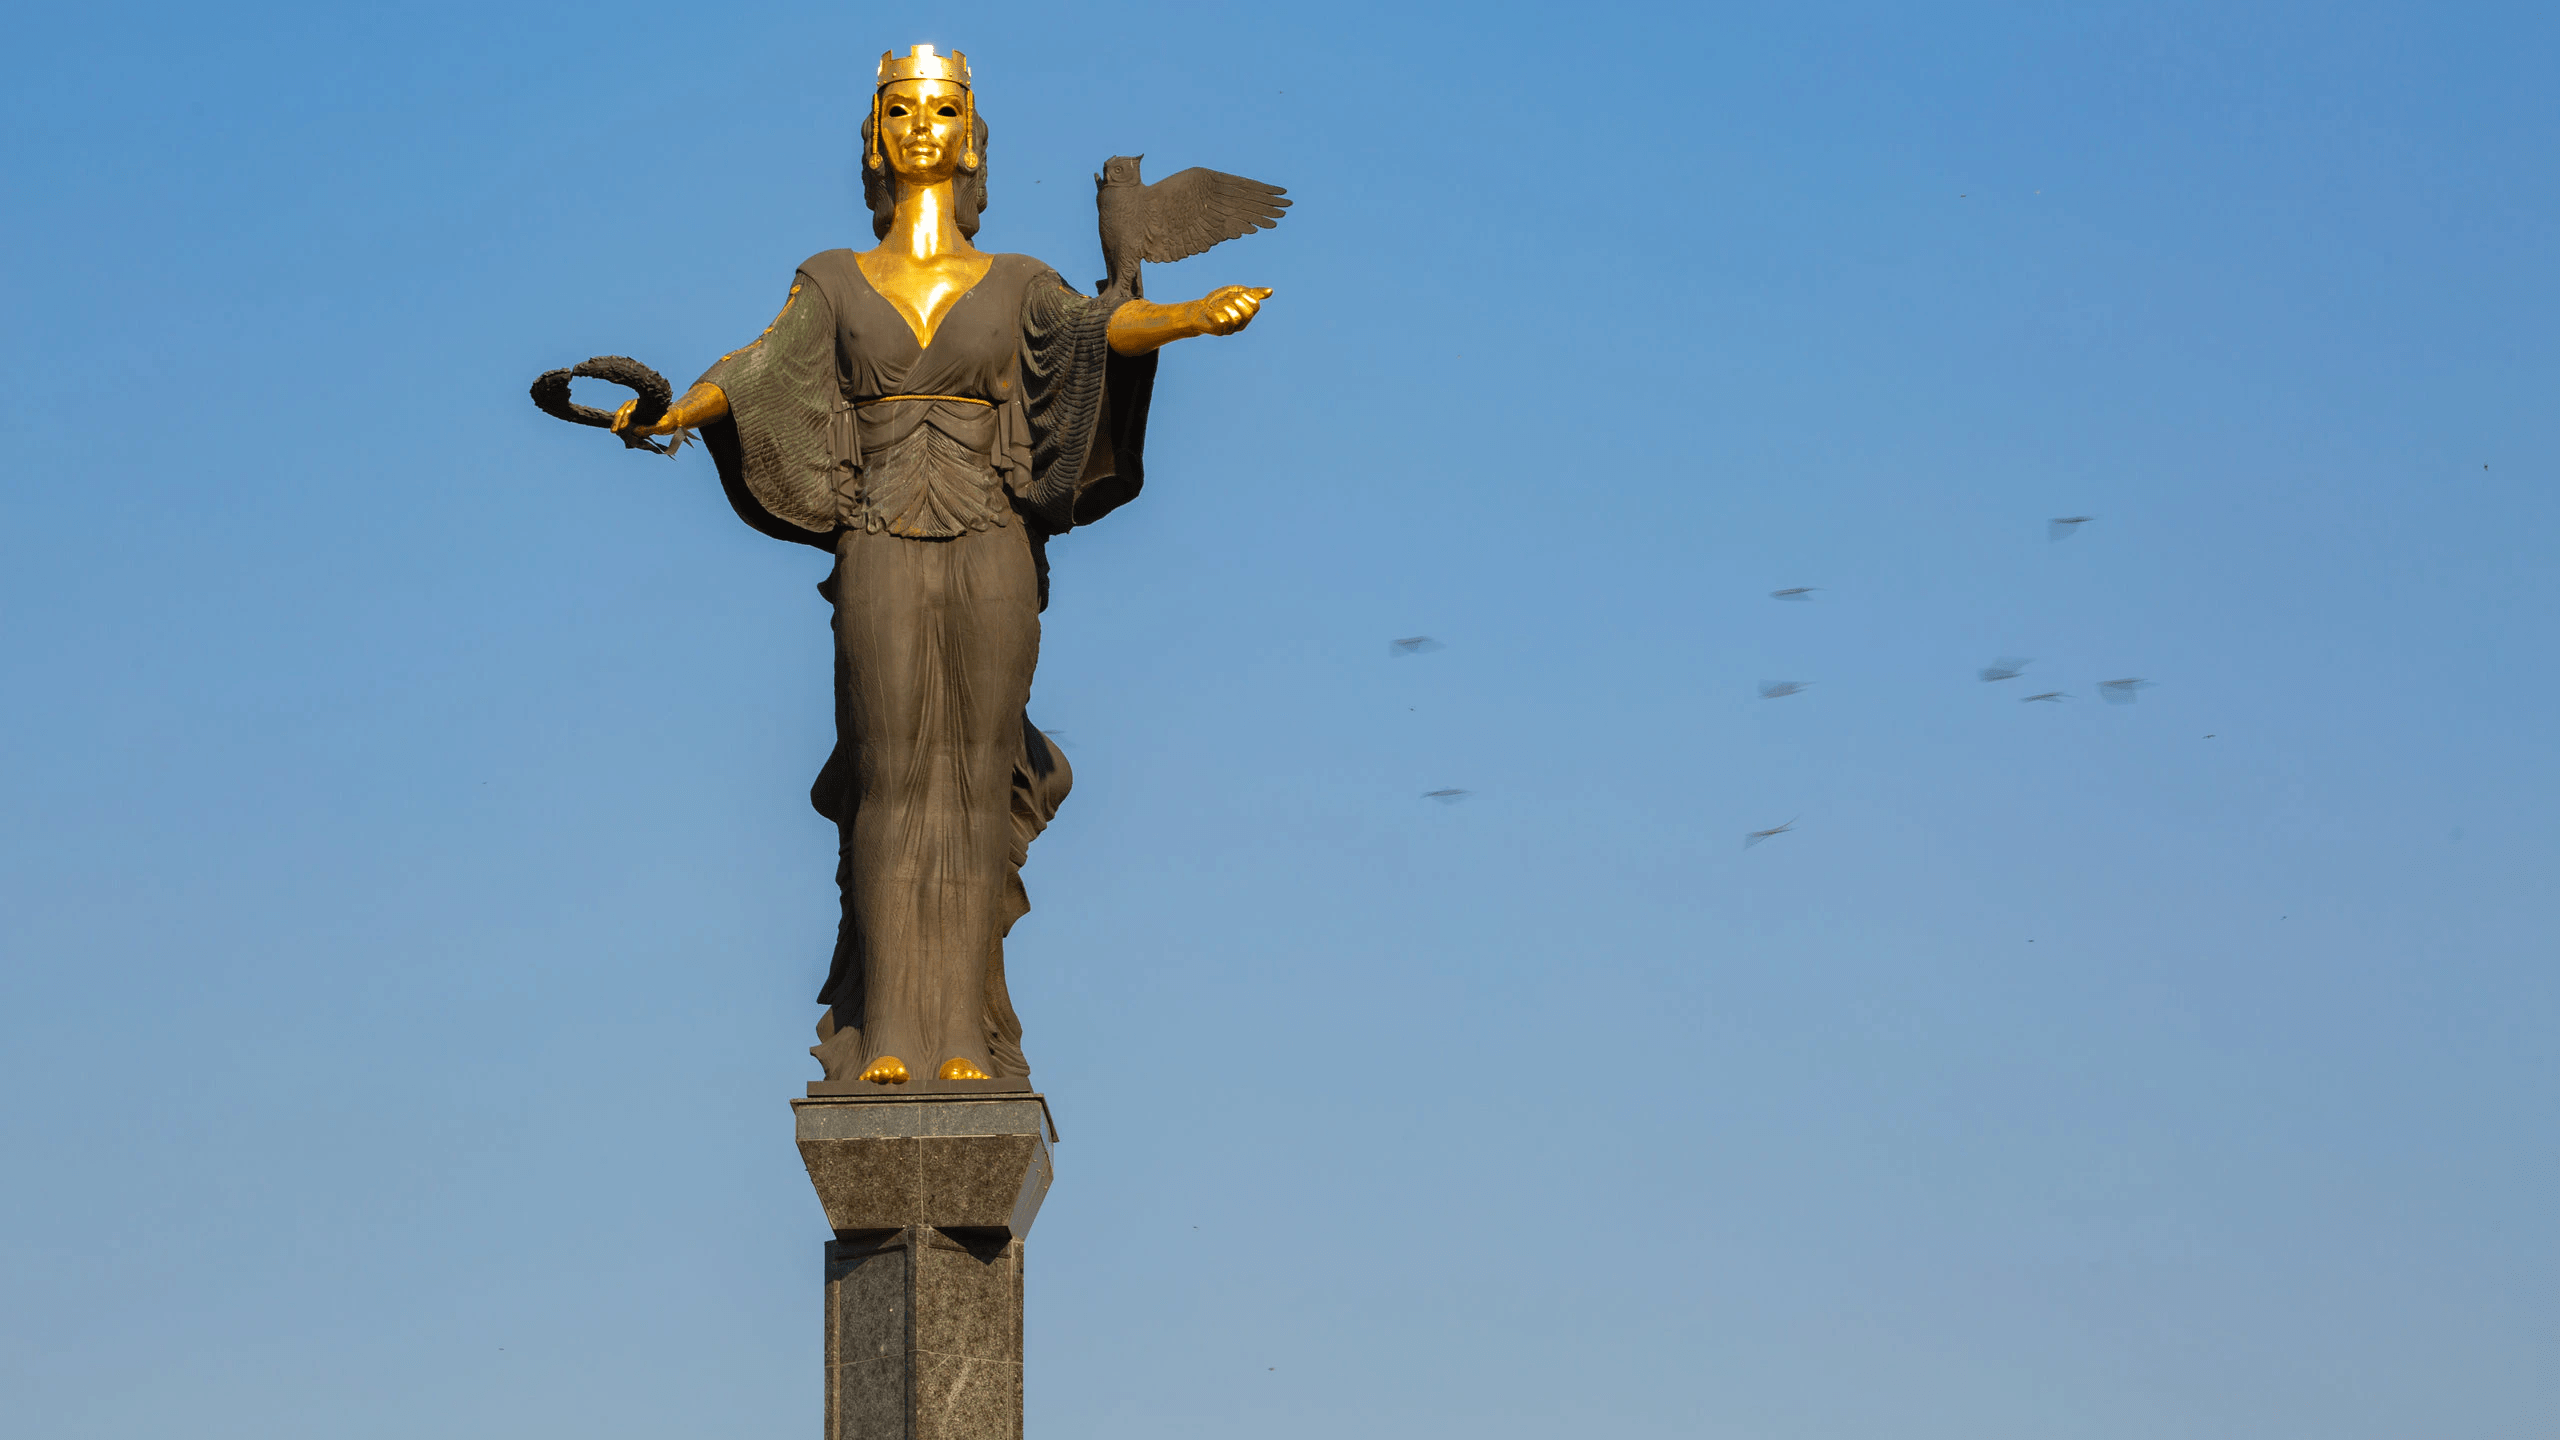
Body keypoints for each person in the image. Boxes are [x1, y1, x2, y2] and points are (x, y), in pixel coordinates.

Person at [612, 44, 1270, 1087]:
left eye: (944, 108)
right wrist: (671, 412)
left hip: (990, 535)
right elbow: (756, 370)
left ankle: (960, 1030)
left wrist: (1189, 316)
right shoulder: (832, 280)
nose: (924, 124)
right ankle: (887, 1036)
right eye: (903, 110)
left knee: (969, 777)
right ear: (878, 135)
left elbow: (1097, 330)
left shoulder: (1016, 283)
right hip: (877, 531)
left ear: (970, 137)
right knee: (889, 777)